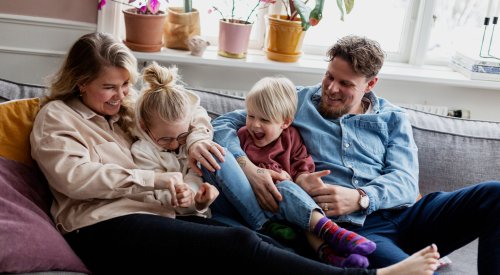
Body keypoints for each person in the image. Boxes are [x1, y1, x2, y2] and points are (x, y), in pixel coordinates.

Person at [29, 32, 440, 275]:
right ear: (80, 82)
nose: (121, 97)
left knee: (259, 240)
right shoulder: (57, 117)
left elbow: (197, 118)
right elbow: (74, 179)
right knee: (240, 246)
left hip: (156, 217)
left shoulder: (132, 110)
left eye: (125, 85)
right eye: (109, 87)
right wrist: (161, 182)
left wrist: (193, 165)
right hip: (101, 230)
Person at [211, 34, 500, 273]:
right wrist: (247, 166)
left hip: (407, 214)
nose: (331, 89)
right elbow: (224, 124)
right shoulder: (296, 101)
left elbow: (405, 181)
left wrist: (361, 198)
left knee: (494, 194)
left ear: (370, 84)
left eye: (346, 84)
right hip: (357, 230)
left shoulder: (392, 117)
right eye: (329, 76)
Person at [203, 76, 375, 268]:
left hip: (284, 207)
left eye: (265, 120)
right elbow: (218, 135)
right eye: (251, 116)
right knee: (224, 157)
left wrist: (302, 179)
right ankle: (321, 232)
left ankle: (330, 251)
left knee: (290, 191)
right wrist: (251, 171)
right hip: (250, 205)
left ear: (285, 122)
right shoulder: (241, 136)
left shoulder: (291, 138)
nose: (255, 125)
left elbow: (301, 165)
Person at [130, 61, 219, 218]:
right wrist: (179, 196)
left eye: (182, 136)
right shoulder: (142, 151)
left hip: (199, 212)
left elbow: (194, 173)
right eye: (165, 139)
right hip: (170, 217)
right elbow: (156, 191)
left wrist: (192, 194)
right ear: (144, 127)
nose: (175, 144)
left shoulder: (191, 137)